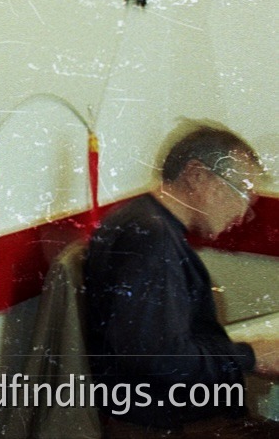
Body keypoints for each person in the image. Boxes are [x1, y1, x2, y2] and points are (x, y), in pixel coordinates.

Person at [83, 125, 279, 438]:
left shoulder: (149, 223)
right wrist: (252, 356)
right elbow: (158, 360)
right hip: (169, 427)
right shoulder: (150, 238)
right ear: (197, 175)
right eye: (242, 193)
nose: (244, 212)